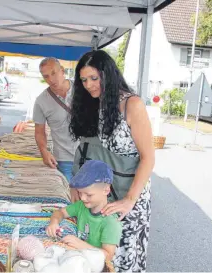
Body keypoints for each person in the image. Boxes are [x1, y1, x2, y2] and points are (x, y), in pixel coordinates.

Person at [69, 50, 155, 272]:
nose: (88, 85)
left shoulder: (132, 104)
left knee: (120, 257)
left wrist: (129, 200)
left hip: (127, 199)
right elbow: (87, 150)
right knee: (94, 254)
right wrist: (76, 186)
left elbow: (148, 158)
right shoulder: (94, 103)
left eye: (94, 78)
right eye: (84, 80)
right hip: (99, 195)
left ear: (108, 75)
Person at [46, 160, 122, 260]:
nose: (82, 198)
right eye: (80, 193)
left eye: (88, 195)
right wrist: (54, 223)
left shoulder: (111, 222)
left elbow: (108, 256)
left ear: (106, 190)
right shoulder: (82, 206)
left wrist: (80, 245)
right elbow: (60, 212)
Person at [33, 57, 79, 191]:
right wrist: (44, 151)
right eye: (46, 76)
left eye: (54, 73)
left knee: (92, 200)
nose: (51, 79)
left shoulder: (83, 89)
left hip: (91, 156)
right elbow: (39, 132)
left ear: (62, 71)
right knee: (69, 198)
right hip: (64, 159)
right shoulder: (41, 101)